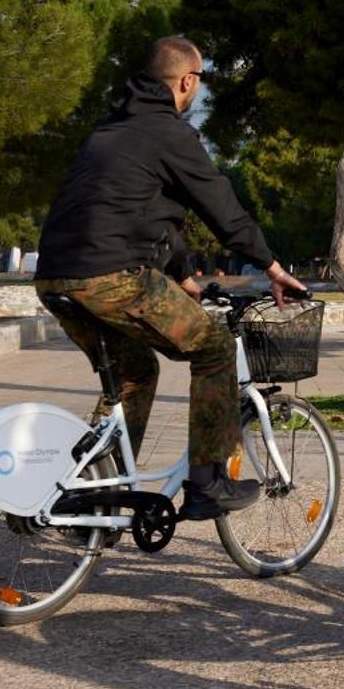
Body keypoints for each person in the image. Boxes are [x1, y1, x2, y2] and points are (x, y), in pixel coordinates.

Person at [34, 36, 307, 521]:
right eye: (199, 82)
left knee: (135, 373)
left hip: (56, 277)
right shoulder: (170, 132)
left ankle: (95, 497)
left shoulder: (111, 129)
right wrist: (271, 266)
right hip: (112, 276)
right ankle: (208, 484)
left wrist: (182, 276)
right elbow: (222, 208)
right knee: (215, 349)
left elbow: (150, 217)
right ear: (187, 81)